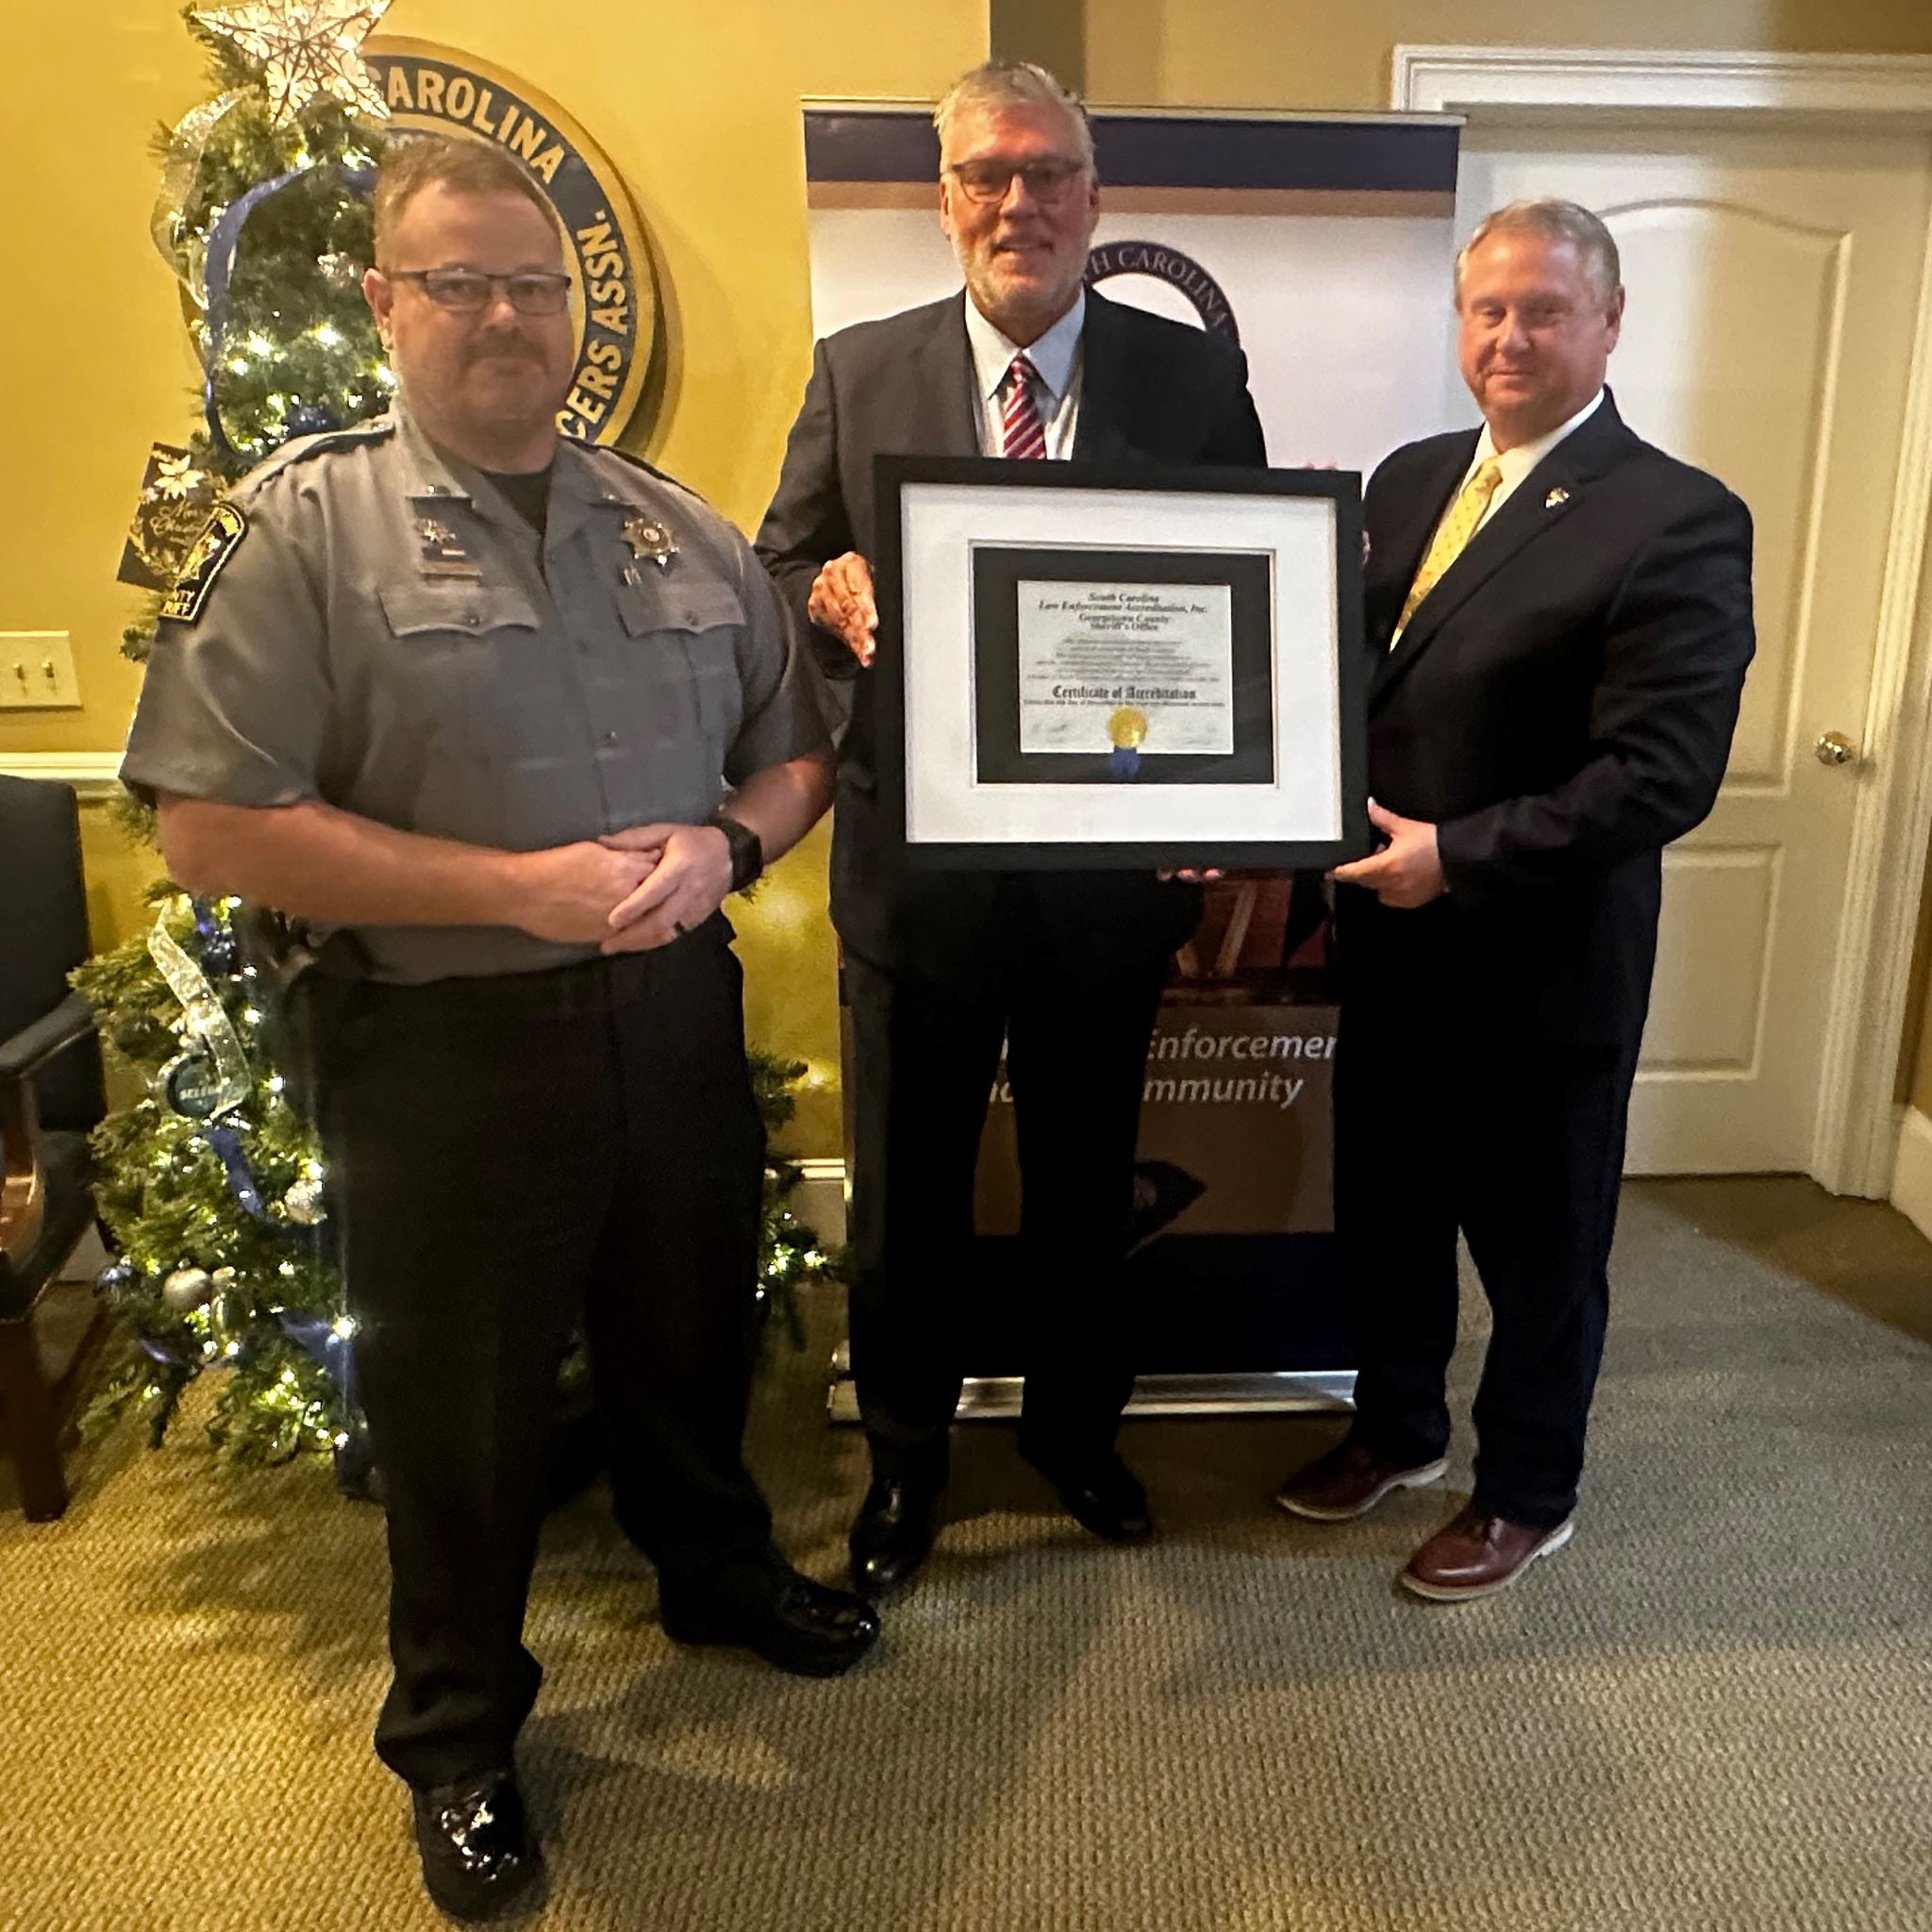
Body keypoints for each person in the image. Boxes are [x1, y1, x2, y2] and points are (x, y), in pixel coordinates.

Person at [121, 135, 877, 1923]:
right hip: (442, 1051)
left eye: (530, 284)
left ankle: (712, 1571)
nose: (502, 317)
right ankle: (457, 1732)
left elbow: (797, 748)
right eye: (457, 282)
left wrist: (730, 843)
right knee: (457, 1411)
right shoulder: (305, 525)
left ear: (568, 308)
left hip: (672, 1020)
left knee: (688, 1322)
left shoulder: (672, 521)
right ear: (384, 305)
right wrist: (511, 888)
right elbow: (210, 824)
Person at [756, 60, 1266, 1597]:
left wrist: (1224, 800)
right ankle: (907, 1460)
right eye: (988, 173)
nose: (1019, 201)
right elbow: (778, 566)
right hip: (911, 877)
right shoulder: (860, 368)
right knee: (905, 1196)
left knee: (1082, 1179)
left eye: (1048, 172)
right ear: (944, 198)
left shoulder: (1187, 381)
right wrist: (824, 597)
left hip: (1107, 882)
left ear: (1094, 200)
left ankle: (1074, 1436)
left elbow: (1244, 594)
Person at [1275, 198, 1755, 1600]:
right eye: (1488, 309)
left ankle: (1530, 1488)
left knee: (1544, 1247)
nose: (1510, 336)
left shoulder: (1675, 514)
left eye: (1545, 310)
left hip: (1542, 960)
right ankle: (1399, 1428)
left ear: (1609, 324)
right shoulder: (1411, 480)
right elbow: (1353, 686)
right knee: (1393, 1211)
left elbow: (1664, 775)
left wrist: (1460, 854)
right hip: (1390, 944)